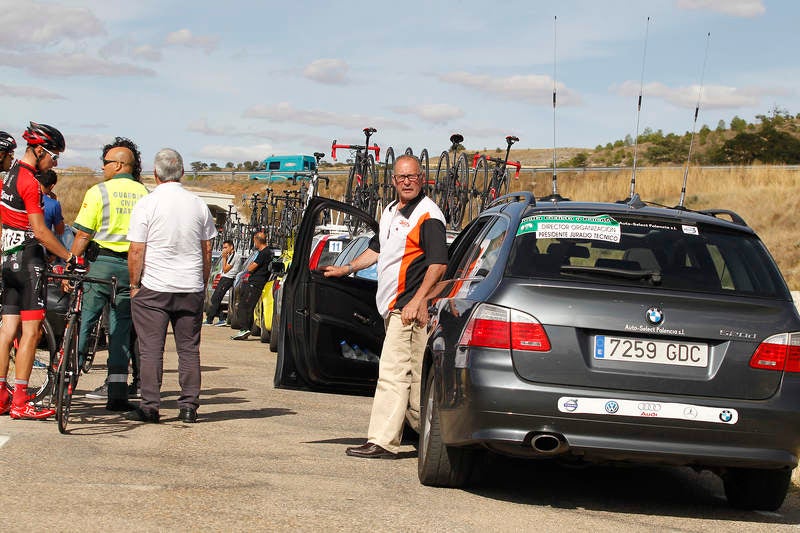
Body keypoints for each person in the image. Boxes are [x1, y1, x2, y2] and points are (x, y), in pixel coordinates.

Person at [322, 154, 447, 458]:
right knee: (415, 377)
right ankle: (433, 436)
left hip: (407, 309)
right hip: (391, 306)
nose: (407, 182)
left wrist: (418, 302)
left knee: (392, 374)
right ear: (393, 180)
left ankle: (381, 441)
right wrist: (347, 268)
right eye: (401, 177)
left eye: (412, 177)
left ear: (423, 178)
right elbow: (378, 249)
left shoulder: (428, 217)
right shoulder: (391, 211)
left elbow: (439, 265)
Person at [126, 148, 217, 424]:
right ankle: (189, 405)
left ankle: (150, 406)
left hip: (155, 286)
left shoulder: (147, 203)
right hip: (189, 286)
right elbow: (207, 248)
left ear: (155, 174)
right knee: (189, 348)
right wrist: (201, 281)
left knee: (151, 348)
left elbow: (136, 249)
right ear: (182, 174)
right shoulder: (198, 204)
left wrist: (134, 284)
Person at [0, 122, 75, 419]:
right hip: (29, 261)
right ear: (40, 151)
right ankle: (20, 400)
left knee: (7, 331)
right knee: (30, 333)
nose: (54, 163)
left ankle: (2, 394)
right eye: (54, 157)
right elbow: (41, 231)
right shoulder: (30, 182)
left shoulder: (8, 176)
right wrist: (69, 256)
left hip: (7, 259)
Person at [69, 137, 148, 411]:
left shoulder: (98, 192)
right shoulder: (144, 194)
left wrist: (72, 263)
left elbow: (82, 234)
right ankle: (117, 393)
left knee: (85, 322)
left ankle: (68, 382)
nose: (102, 167)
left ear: (117, 164)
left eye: (104, 163)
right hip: (130, 269)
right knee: (120, 330)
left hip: (101, 263)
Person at [231, 231, 271, 340]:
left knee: (244, 306)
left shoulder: (264, 253)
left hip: (256, 284)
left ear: (257, 240)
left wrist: (249, 267)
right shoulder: (263, 252)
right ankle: (244, 329)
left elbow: (251, 267)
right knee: (245, 306)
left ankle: (244, 328)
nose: (254, 243)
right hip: (254, 282)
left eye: (254, 241)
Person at [205, 239, 241, 326]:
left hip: (228, 278)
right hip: (224, 278)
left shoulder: (234, 256)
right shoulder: (230, 255)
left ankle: (211, 319)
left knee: (216, 298)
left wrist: (224, 258)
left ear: (231, 247)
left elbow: (225, 269)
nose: (224, 249)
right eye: (223, 247)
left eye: (226, 247)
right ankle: (220, 318)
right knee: (215, 298)